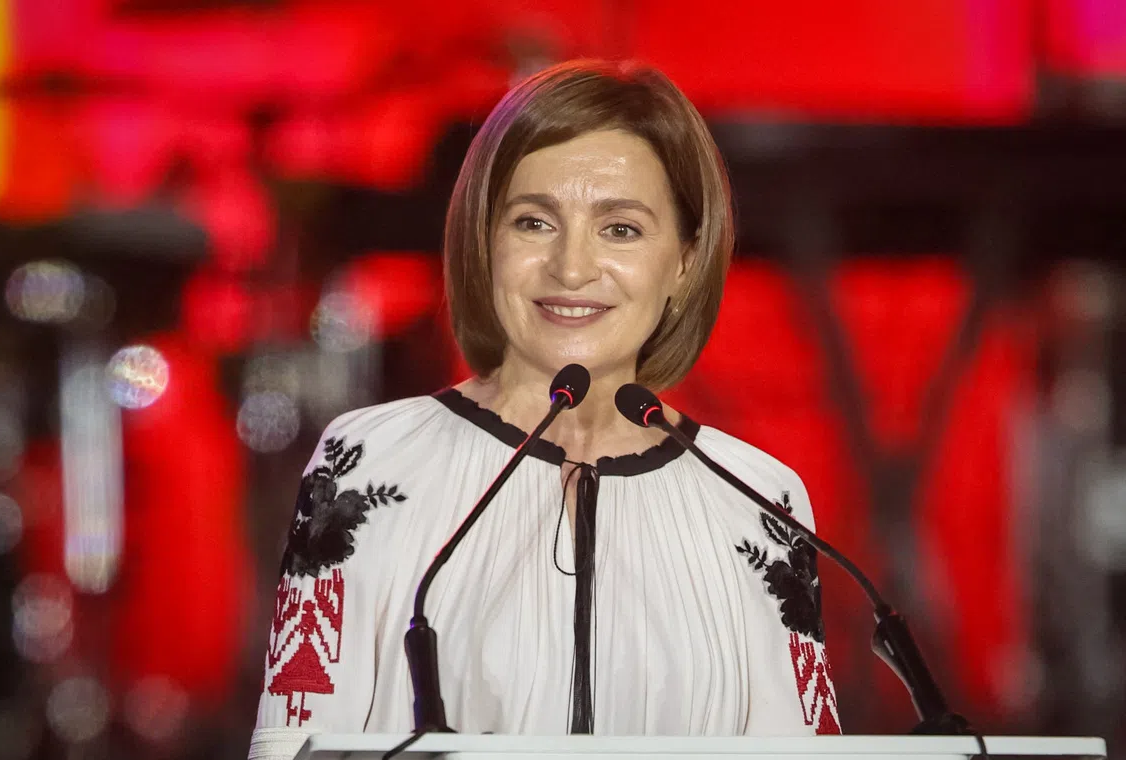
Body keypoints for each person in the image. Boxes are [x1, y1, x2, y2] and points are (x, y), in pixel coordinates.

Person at [248, 60, 839, 760]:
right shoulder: (369, 464)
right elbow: (292, 746)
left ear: (683, 260)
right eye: (534, 222)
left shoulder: (760, 501)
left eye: (620, 229)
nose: (571, 267)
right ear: (484, 243)